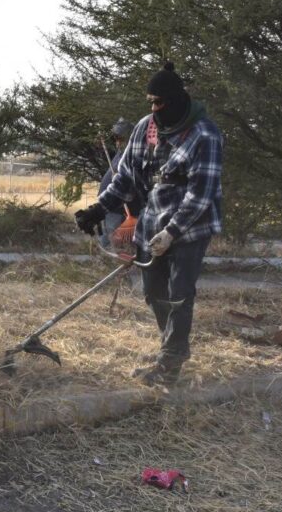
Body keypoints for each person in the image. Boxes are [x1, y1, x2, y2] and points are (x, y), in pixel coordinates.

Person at [74, 62, 224, 386]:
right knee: (153, 291)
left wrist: (172, 233)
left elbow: (201, 196)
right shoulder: (146, 128)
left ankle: (169, 365)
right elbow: (125, 176)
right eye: (150, 102)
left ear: (176, 99)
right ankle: (173, 349)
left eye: (159, 102)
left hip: (190, 226)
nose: (154, 109)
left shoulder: (205, 135)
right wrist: (99, 209)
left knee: (179, 293)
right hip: (153, 222)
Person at [97, 117, 141, 250]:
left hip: (119, 208)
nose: (117, 142)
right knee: (106, 239)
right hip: (109, 205)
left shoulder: (134, 156)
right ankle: (107, 260)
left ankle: (117, 261)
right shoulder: (121, 153)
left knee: (114, 241)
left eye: (121, 138)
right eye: (116, 138)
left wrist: (121, 179)